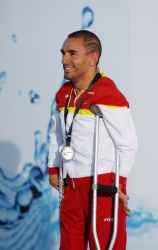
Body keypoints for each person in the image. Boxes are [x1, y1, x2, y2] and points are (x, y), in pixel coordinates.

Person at [48, 30, 137, 250]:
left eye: (72, 53)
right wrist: (54, 168)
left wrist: (120, 186)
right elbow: (56, 134)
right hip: (72, 187)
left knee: (106, 245)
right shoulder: (64, 95)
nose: (64, 60)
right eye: (63, 53)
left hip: (103, 187)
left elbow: (127, 144)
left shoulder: (109, 94)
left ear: (92, 57)